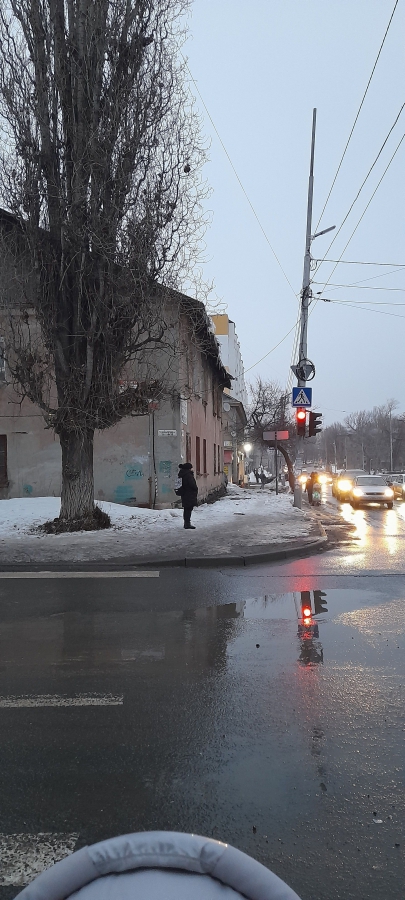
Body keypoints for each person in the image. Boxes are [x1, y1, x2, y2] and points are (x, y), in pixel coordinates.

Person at [176, 462, 198, 529]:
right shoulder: (188, 475)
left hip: (184, 493)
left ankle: (186, 523)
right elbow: (192, 485)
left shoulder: (181, 474)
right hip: (189, 494)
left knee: (186, 509)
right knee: (188, 509)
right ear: (189, 468)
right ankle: (187, 524)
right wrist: (195, 489)